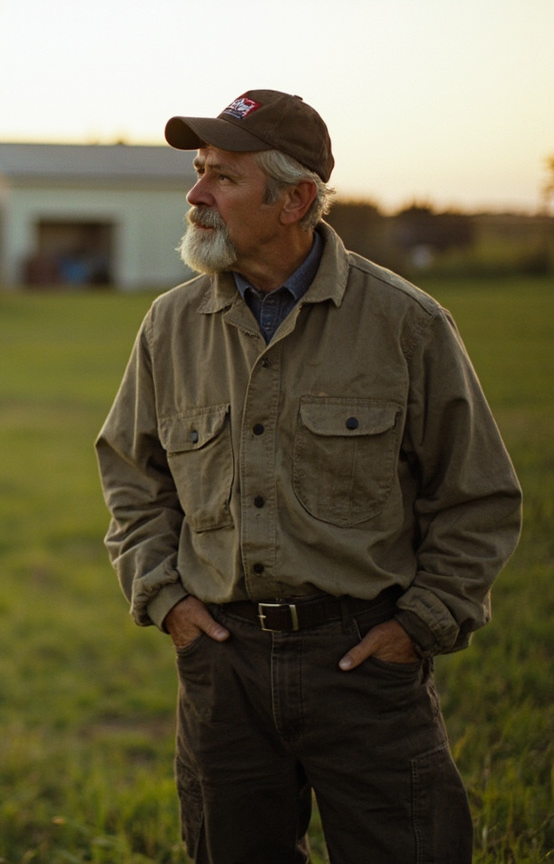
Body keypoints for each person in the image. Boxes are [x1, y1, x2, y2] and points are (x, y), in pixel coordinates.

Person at [94, 90, 523, 863]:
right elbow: (134, 478)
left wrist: (420, 625)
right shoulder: (168, 325)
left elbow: (477, 496)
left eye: (222, 177)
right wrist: (165, 600)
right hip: (222, 670)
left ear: (295, 199)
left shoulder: (406, 323)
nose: (196, 195)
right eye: (199, 172)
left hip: (365, 668)